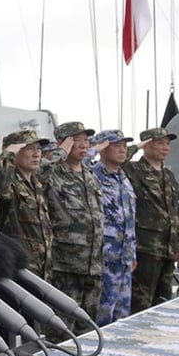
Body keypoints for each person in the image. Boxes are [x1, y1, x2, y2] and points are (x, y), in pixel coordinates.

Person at [38, 121, 103, 339]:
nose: (84, 145)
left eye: (86, 140)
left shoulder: (90, 175)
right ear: (63, 143)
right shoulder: (52, 172)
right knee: (62, 330)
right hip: (65, 264)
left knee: (88, 327)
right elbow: (35, 176)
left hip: (93, 263)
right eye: (77, 140)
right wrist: (58, 154)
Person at [123, 127, 179, 314]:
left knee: (164, 301)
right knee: (141, 302)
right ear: (147, 146)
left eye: (167, 144)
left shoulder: (169, 176)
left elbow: (174, 211)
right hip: (146, 247)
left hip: (167, 247)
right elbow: (119, 159)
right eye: (159, 143)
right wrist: (137, 146)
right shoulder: (134, 170)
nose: (165, 148)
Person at [89, 130, 137, 325]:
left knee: (122, 314)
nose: (122, 150)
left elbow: (129, 218)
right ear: (103, 148)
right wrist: (93, 150)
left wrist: (132, 253)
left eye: (124, 146)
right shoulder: (93, 174)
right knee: (103, 313)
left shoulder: (124, 178)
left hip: (124, 257)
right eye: (116, 145)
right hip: (104, 257)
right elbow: (71, 166)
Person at [0, 129, 53, 280]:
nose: (36, 153)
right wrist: (7, 154)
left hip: (43, 270)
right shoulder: (8, 183)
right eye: (29, 148)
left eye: (38, 148)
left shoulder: (36, 184)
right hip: (20, 272)